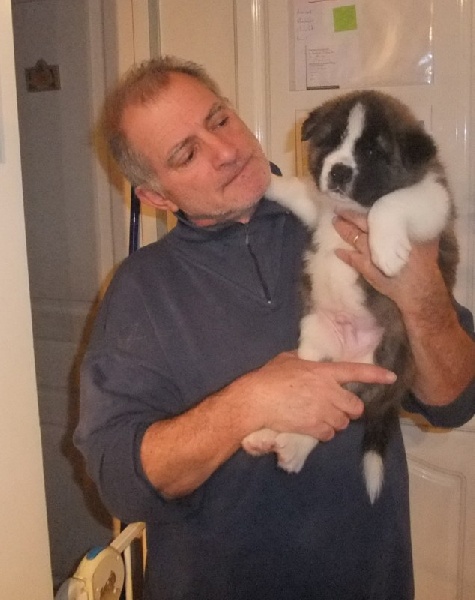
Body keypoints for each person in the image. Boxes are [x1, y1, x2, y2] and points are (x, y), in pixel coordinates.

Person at [75, 56, 475, 600]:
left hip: (366, 582)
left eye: (219, 120)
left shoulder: (356, 216)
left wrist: (424, 299)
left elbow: (455, 399)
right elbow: (119, 483)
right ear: (157, 197)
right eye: (186, 153)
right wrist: (248, 403)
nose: (225, 151)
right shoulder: (140, 289)